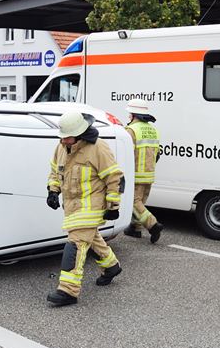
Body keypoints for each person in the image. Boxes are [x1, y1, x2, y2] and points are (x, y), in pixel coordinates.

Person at [45, 111, 123, 307]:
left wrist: (113, 206)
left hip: (91, 206)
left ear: (80, 133)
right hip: (72, 207)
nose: (63, 140)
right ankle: (111, 266)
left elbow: (114, 177)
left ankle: (68, 291)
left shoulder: (98, 148)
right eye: (61, 136)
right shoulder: (62, 147)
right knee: (91, 238)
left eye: (67, 137)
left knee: (76, 244)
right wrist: (52, 191)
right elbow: (55, 171)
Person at [123, 99, 164, 243]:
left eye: (130, 114)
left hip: (136, 174)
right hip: (149, 173)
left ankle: (153, 226)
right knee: (140, 203)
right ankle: (135, 228)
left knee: (134, 203)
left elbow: (126, 154)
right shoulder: (153, 130)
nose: (129, 117)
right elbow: (157, 153)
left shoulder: (131, 130)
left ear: (134, 115)